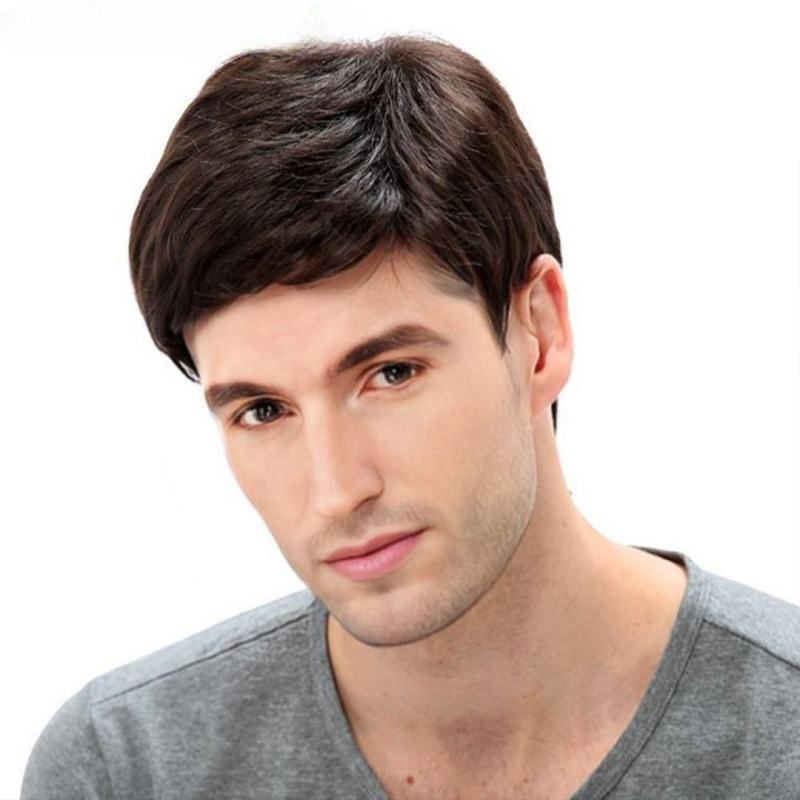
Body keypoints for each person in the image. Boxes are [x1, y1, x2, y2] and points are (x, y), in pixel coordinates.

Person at [21, 34, 800, 800]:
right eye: (264, 410)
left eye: (391, 374)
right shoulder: (124, 770)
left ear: (539, 334)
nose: (336, 492)